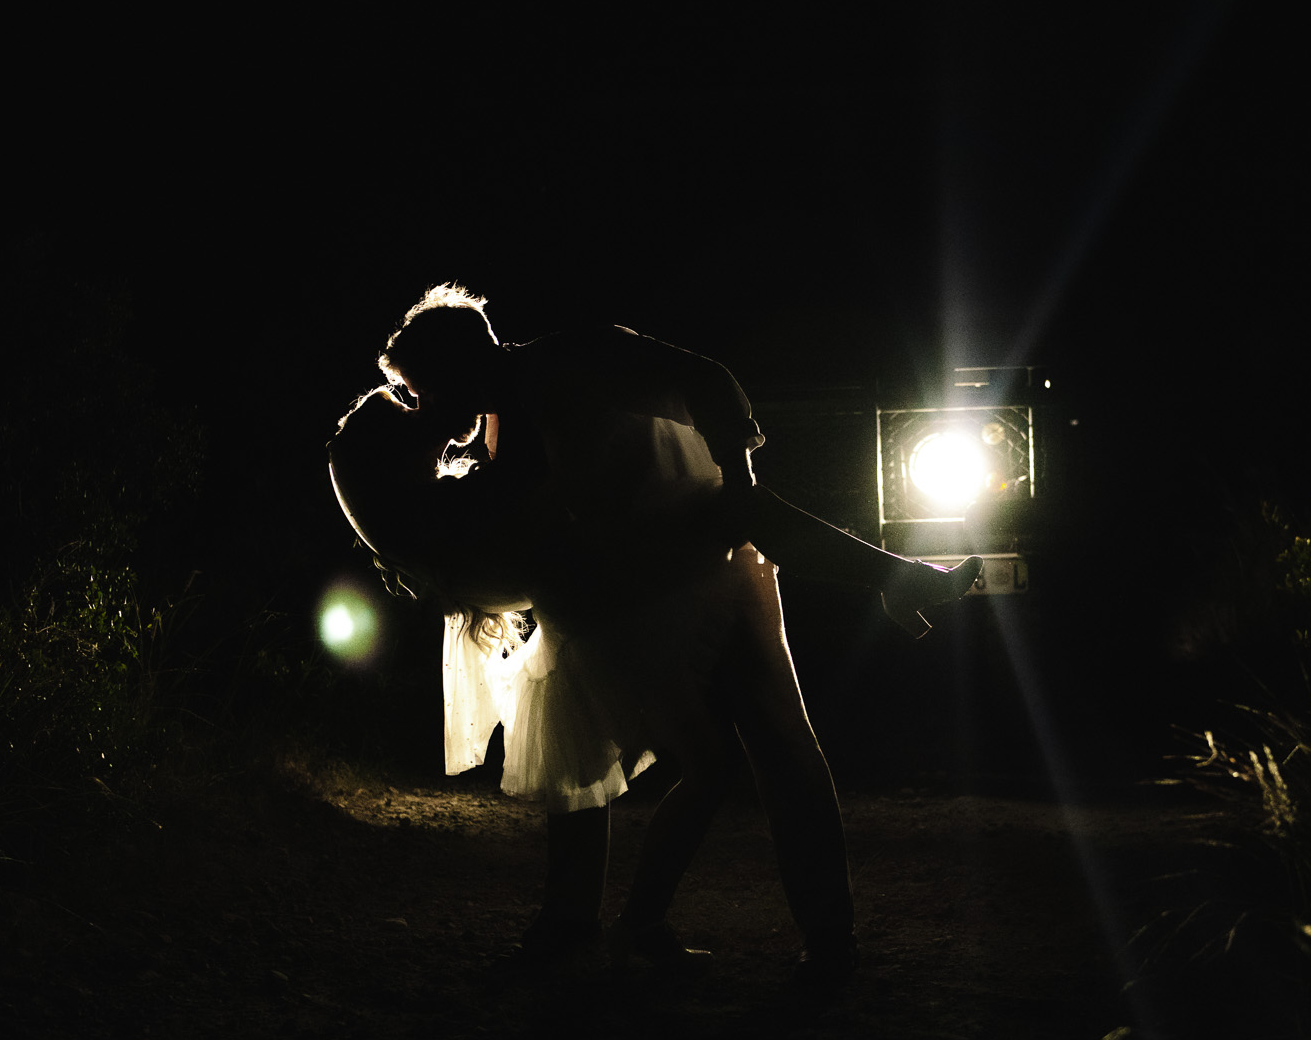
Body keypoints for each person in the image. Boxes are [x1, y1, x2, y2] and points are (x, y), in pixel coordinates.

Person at [329, 284, 980, 984]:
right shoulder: (494, 433)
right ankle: (614, 925)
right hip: (639, 596)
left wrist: (738, 479)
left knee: (773, 743)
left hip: (701, 568)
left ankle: (813, 940)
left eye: (420, 388)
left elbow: (707, 379)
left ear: (456, 362)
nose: (423, 405)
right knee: (669, 760)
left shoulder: (575, 356)